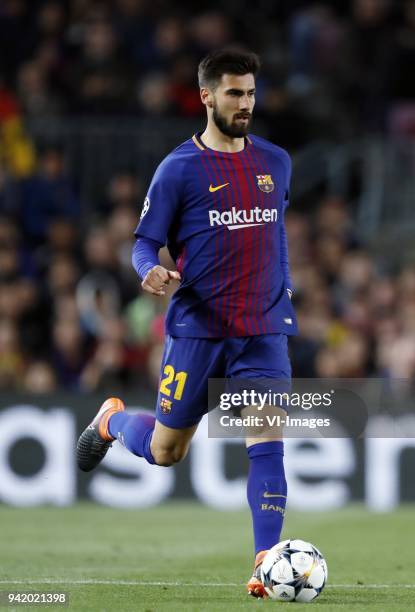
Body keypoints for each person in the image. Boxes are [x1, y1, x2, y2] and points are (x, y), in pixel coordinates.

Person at [76, 48, 297, 599]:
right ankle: (112, 422)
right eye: (233, 94)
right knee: (166, 453)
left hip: (263, 332)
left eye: (249, 93)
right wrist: (150, 269)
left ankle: (265, 562)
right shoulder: (179, 170)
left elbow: (273, 237)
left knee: (267, 440)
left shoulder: (276, 162)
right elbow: (145, 241)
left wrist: (281, 289)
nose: (245, 104)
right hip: (198, 332)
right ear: (205, 96)